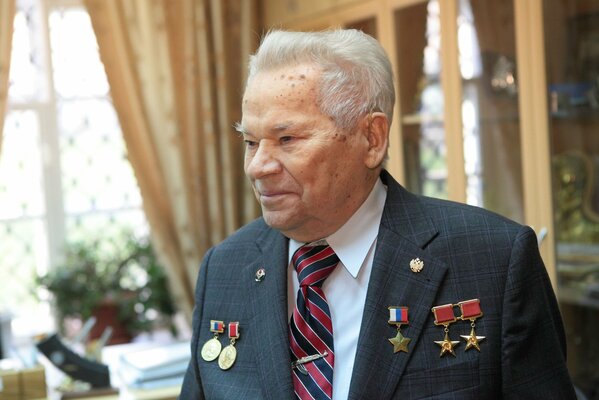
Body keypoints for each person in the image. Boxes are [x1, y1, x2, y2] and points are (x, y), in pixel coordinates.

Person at [180, 29, 576, 399]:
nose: (257, 166)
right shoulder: (225, 269)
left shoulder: (493, 259)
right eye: (251, 142)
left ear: (371, 138)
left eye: (287, 139)